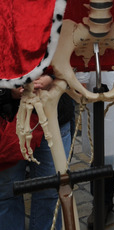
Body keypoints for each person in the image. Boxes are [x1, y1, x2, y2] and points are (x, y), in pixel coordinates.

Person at [0, 76, 73, 230]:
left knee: (51, 191)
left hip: (54, 114)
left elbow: (74, 64)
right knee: (7, 193)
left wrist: (52, 77)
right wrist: (6, 90)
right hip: (7, 118)